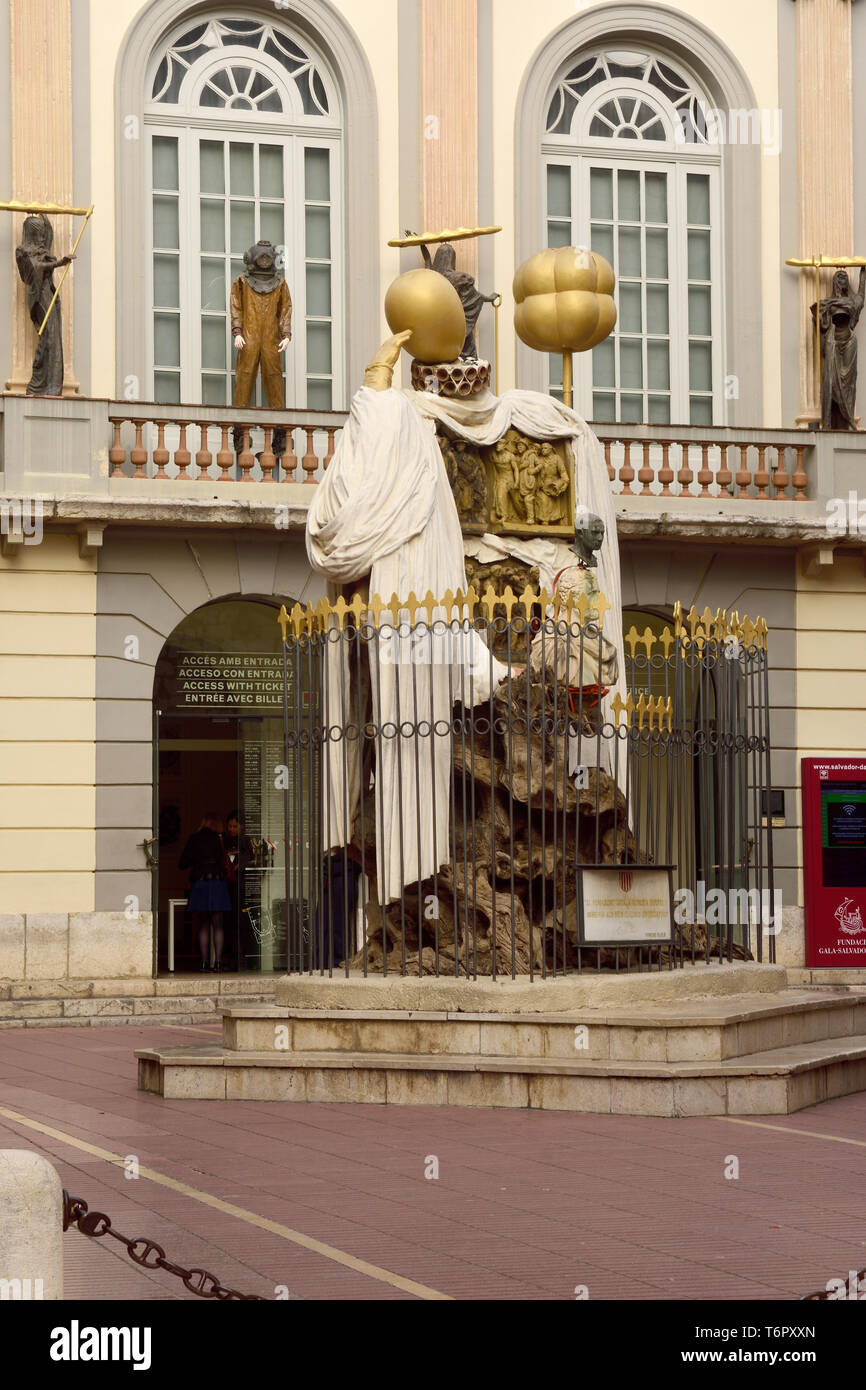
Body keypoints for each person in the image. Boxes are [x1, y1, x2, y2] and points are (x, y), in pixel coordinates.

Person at [178, 813, 232, 971]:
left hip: (200, 883)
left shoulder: (194, 838)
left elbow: (182, 863)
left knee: (203, 924)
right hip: (217, 883)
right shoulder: (221, 838)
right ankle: (219, 963)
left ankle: (203, 963)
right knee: (218, 925)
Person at [223, 810, 252, 970]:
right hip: (228, 888)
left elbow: (253, 861)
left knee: (243, 925)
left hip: (243, 889)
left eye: (235, 826)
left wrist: (240, 865)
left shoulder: (246, 842)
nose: (232, 829)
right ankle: (230, 960)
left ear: (242, 827)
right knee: (229, 924)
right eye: (230, 826)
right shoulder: (224, 841)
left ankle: (245, 959)